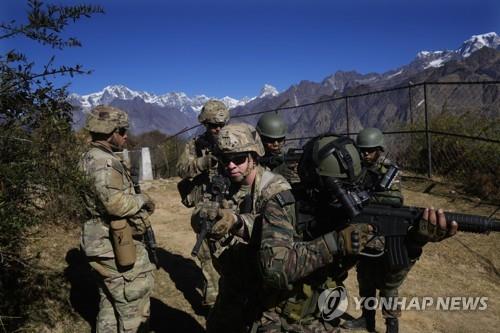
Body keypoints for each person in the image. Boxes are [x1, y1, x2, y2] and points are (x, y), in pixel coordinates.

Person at [252, 134, 458, 332]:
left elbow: (388, 280)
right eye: (336, 190)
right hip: (277, 318)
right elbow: (275, 271)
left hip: (324, 317)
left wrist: (415, 243)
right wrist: (335, 243)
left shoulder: (355, 215)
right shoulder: (284, 206)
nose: (343, 199)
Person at [194, 122, 292, 333]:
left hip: (265, 291)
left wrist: (236, 222)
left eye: (238, 159)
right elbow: (201, 208)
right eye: (225, 160)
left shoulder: (275, 187)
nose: (231, 166)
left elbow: (277, 231)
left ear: (254, 157)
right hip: (232, 282)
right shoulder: (224, 183)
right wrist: (202, 218)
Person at [79, 105, 156, 333]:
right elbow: (116, 204)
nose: (125, 136)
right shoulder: (105, 162)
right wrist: (143, 199)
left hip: (99, 244)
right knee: (134, 307)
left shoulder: (88, 157)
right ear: (110, 131)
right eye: (122, 131)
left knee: (109, 304)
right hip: (115, 245)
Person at [342, 127, 406, 333]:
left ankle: (391, 325)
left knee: (389, 284)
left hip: (385, 233)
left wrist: (365, 196)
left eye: (369, 151)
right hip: (363, 233)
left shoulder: (389, 171)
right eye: (362, 150)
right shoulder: (356, 169)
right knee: (365, 278)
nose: (365, 154)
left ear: (379, 150)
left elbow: (395, 199)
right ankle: (367, 319)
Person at [176, 99, 230, 307]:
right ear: (205, 125)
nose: (217, 129)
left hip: (230, 204)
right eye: (212, 126)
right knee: (207, 255)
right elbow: (181, 169)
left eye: (220, 125)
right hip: (205, 205)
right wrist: (202, 162)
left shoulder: (234, 139)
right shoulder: (195, 145)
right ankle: (213, 302)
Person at [256, 112, 301, 185]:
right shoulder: (251, 158)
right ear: (260, 138)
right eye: (270, 140)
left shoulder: (283, 158)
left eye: (280, 140)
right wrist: (274, 173)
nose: (276, 144)